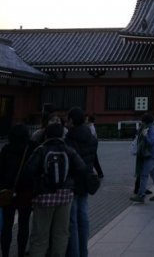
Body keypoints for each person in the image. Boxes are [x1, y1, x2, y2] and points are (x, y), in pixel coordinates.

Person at [26, 122, 85, 257]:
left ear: (46, 135)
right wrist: (70, 180)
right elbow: (81, 168)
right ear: (62, 135)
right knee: (61, 233)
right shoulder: (69, 150)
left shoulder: (41, 149)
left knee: (40, 234)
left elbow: (29, 171)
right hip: (65, 196)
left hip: (44, 197)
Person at [65, 106, 99, 257]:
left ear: (71, 120)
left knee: (72, 221)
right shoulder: (92, 138)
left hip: (72, 182)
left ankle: (74, 253)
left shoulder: (69, 138)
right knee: (83, 217)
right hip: (86, 180)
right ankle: (83, 251)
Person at [0, 124, 35, 257]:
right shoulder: (31, 148)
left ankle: (5, 253)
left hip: (7, 192)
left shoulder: (6, 149)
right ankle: (20, 253)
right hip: (26, 192)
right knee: (23, 224)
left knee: (7, 226)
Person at [130, 112, 154, 203]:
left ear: (146, 121)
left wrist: (145, 136)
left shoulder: (151, 129)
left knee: (144, 175)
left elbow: (151, 142)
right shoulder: (152, 127)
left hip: (151, 156)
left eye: (143, 121)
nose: (142, 123)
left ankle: (141, 195)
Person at [86, 115, 104, 179]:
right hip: (93, 145)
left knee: (94, 160)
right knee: (94, 160)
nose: (86, 120)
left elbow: (91, 137)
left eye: (87, 119)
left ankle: (99, 173)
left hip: (92, 145)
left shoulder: (91, 127)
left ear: (89, 120)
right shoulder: (90, 126)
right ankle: (98, 173)